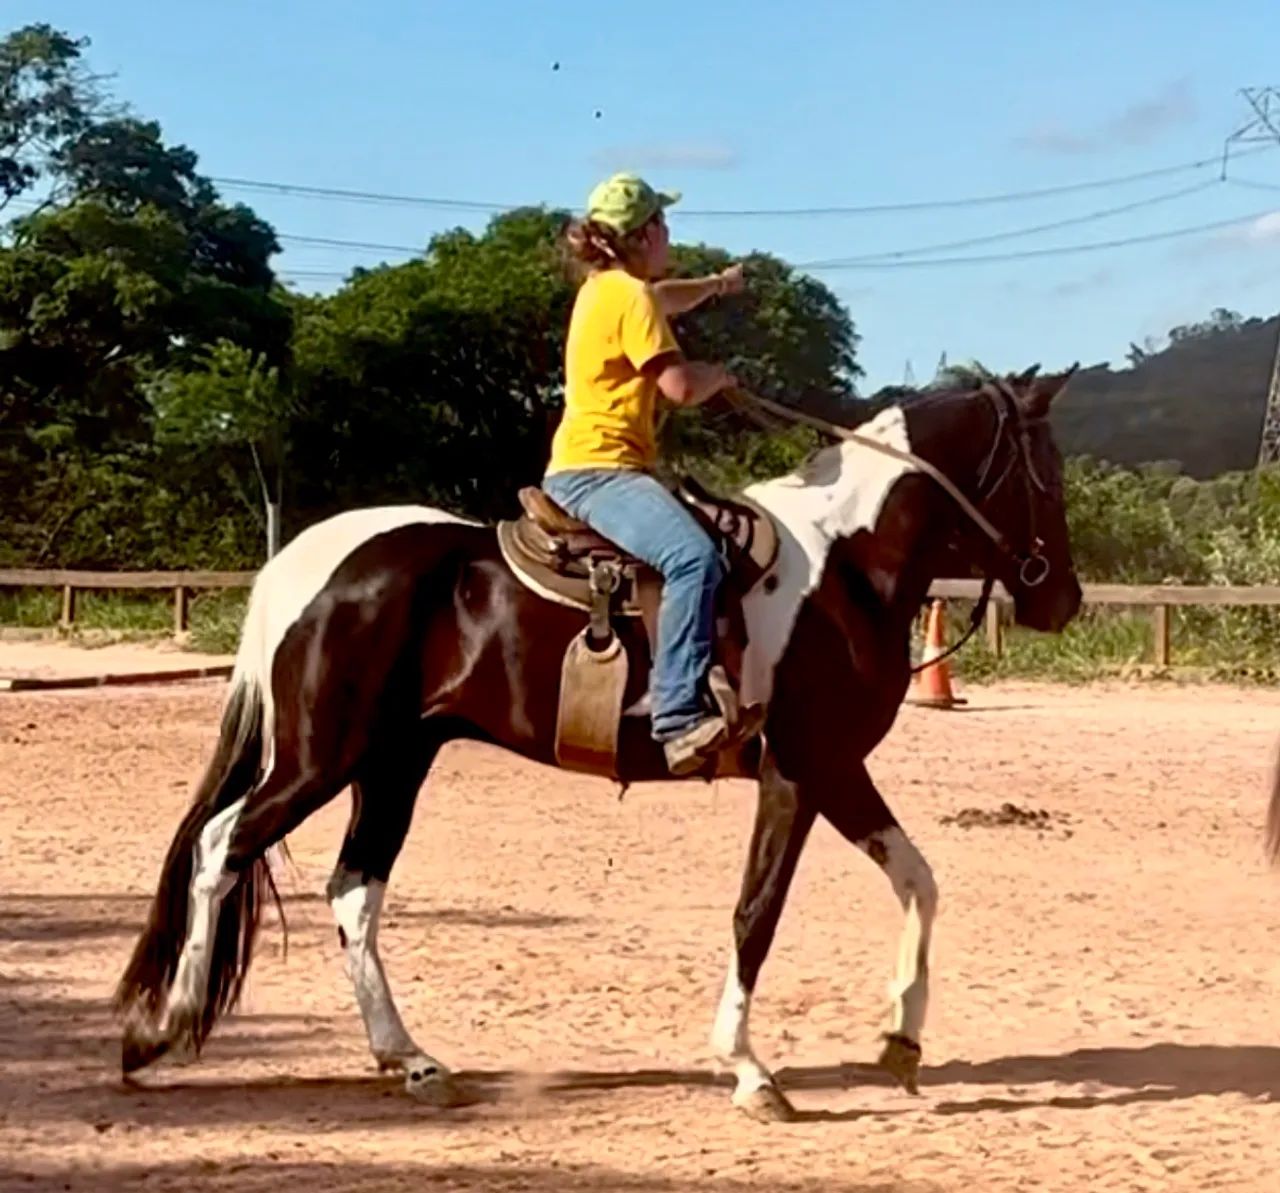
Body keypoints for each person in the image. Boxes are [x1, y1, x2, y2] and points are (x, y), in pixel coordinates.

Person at [543, 172, 747, 776]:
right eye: (664, 224)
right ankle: (677, 713)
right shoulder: (630, 296)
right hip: (601, 471)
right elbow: (680, 388)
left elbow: (667, 298)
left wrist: (716, 286)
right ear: (646, 233)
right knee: (693, 559)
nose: (669, 236)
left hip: (586, 463)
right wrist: (721, 375)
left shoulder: (605, 290)